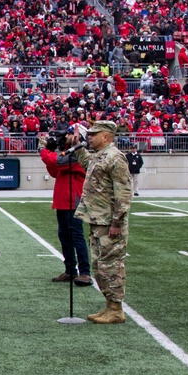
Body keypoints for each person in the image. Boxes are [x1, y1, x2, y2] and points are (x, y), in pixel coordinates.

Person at [72, 121, 133, 324]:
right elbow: (88, 165)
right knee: (99, 266)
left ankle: (116, 309)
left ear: (106, 136)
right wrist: (79, 147)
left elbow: (123, 194)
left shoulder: (115, 157)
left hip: (109, 222)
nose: (90, 137)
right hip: (98, 220)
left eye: (93, 134)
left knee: (111, 266)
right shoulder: (100, 156)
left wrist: (117, 222)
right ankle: (110, 305)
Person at [39, 130, 91, 286]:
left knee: (76, 236)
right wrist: (50, 152)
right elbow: (55, 170)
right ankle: (70, 270)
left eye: (68, 134)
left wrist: (43, 150)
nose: (65, 137)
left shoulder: (78, 154)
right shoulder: (68, 153)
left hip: (72, 201)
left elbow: (57, 162)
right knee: (64, 236)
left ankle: (85, 273)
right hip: (63, 201)